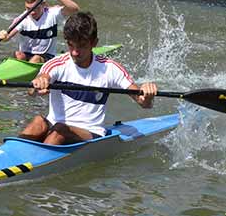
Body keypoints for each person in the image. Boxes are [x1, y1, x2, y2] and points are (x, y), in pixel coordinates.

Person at [18, 12, 157, 146]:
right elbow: (33, 89)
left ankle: (36, 167)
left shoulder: (111, 69)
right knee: (38, 122)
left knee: (60, 130)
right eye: (71, 45)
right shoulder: (56, 64)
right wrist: (37, 85)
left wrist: (147, 95)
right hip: (54, 125)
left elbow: (144, 103)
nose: (74, 52)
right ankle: (6, 157)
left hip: (90, 132)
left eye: (82, 46)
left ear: (94, 43)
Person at [0, 0, 80, 64]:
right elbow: (7, 37)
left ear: (43, 4)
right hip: (26, 56)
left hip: (47, 56)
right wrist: (3, 36)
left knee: (36, 58)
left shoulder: (52, 14)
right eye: (28, 9)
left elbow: (74, 9)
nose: (32, 12)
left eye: (35, 8)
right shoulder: (22, 19)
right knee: (18, 55)